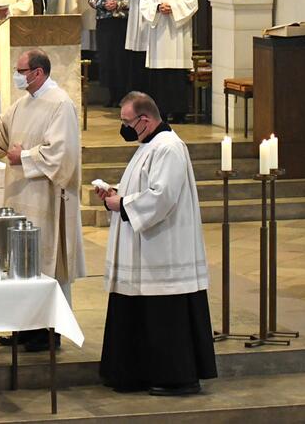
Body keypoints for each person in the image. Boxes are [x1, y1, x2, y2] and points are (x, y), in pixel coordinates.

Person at [0, 49, 85, 351]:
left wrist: (24, 156)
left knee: (43, 264)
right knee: (19, 262)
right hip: (20, 196)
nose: (17, 75)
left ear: (37, 73)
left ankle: (47, 332)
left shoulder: (61, 104)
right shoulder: (25, 102)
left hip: (46, 200)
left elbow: (63, 155)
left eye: (20, 70)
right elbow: (1, 128)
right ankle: (23, 328)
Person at [96, 91, 216, 395]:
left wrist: (120, 205)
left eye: (127, 122)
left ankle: (178, 378)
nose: (124, 128)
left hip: (164, 250)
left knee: (165, 318)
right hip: (147, 248)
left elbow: (161, 198)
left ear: (145, 119)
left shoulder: (169, 148)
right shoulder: (150, 144)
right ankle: (137, 373)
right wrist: (116, 193)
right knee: (142, 313)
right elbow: (142, 187)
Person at [139, 0, 197, 122]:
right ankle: (160, 111)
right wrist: (157, 7)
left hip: (177, 31)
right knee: (159, 73)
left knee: (176, 72)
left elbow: (192, 2)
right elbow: (145, 0)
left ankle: (179, 112)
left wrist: (173, 8)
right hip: (158, 32)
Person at [89, 0, 132, 107]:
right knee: (107, 58)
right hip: (104, 21)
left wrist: (119, 4)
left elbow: (133, 0)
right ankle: (111, 95)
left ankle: (122, 94)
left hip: (122, 22)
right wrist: (103, 3)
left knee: (121, 58)